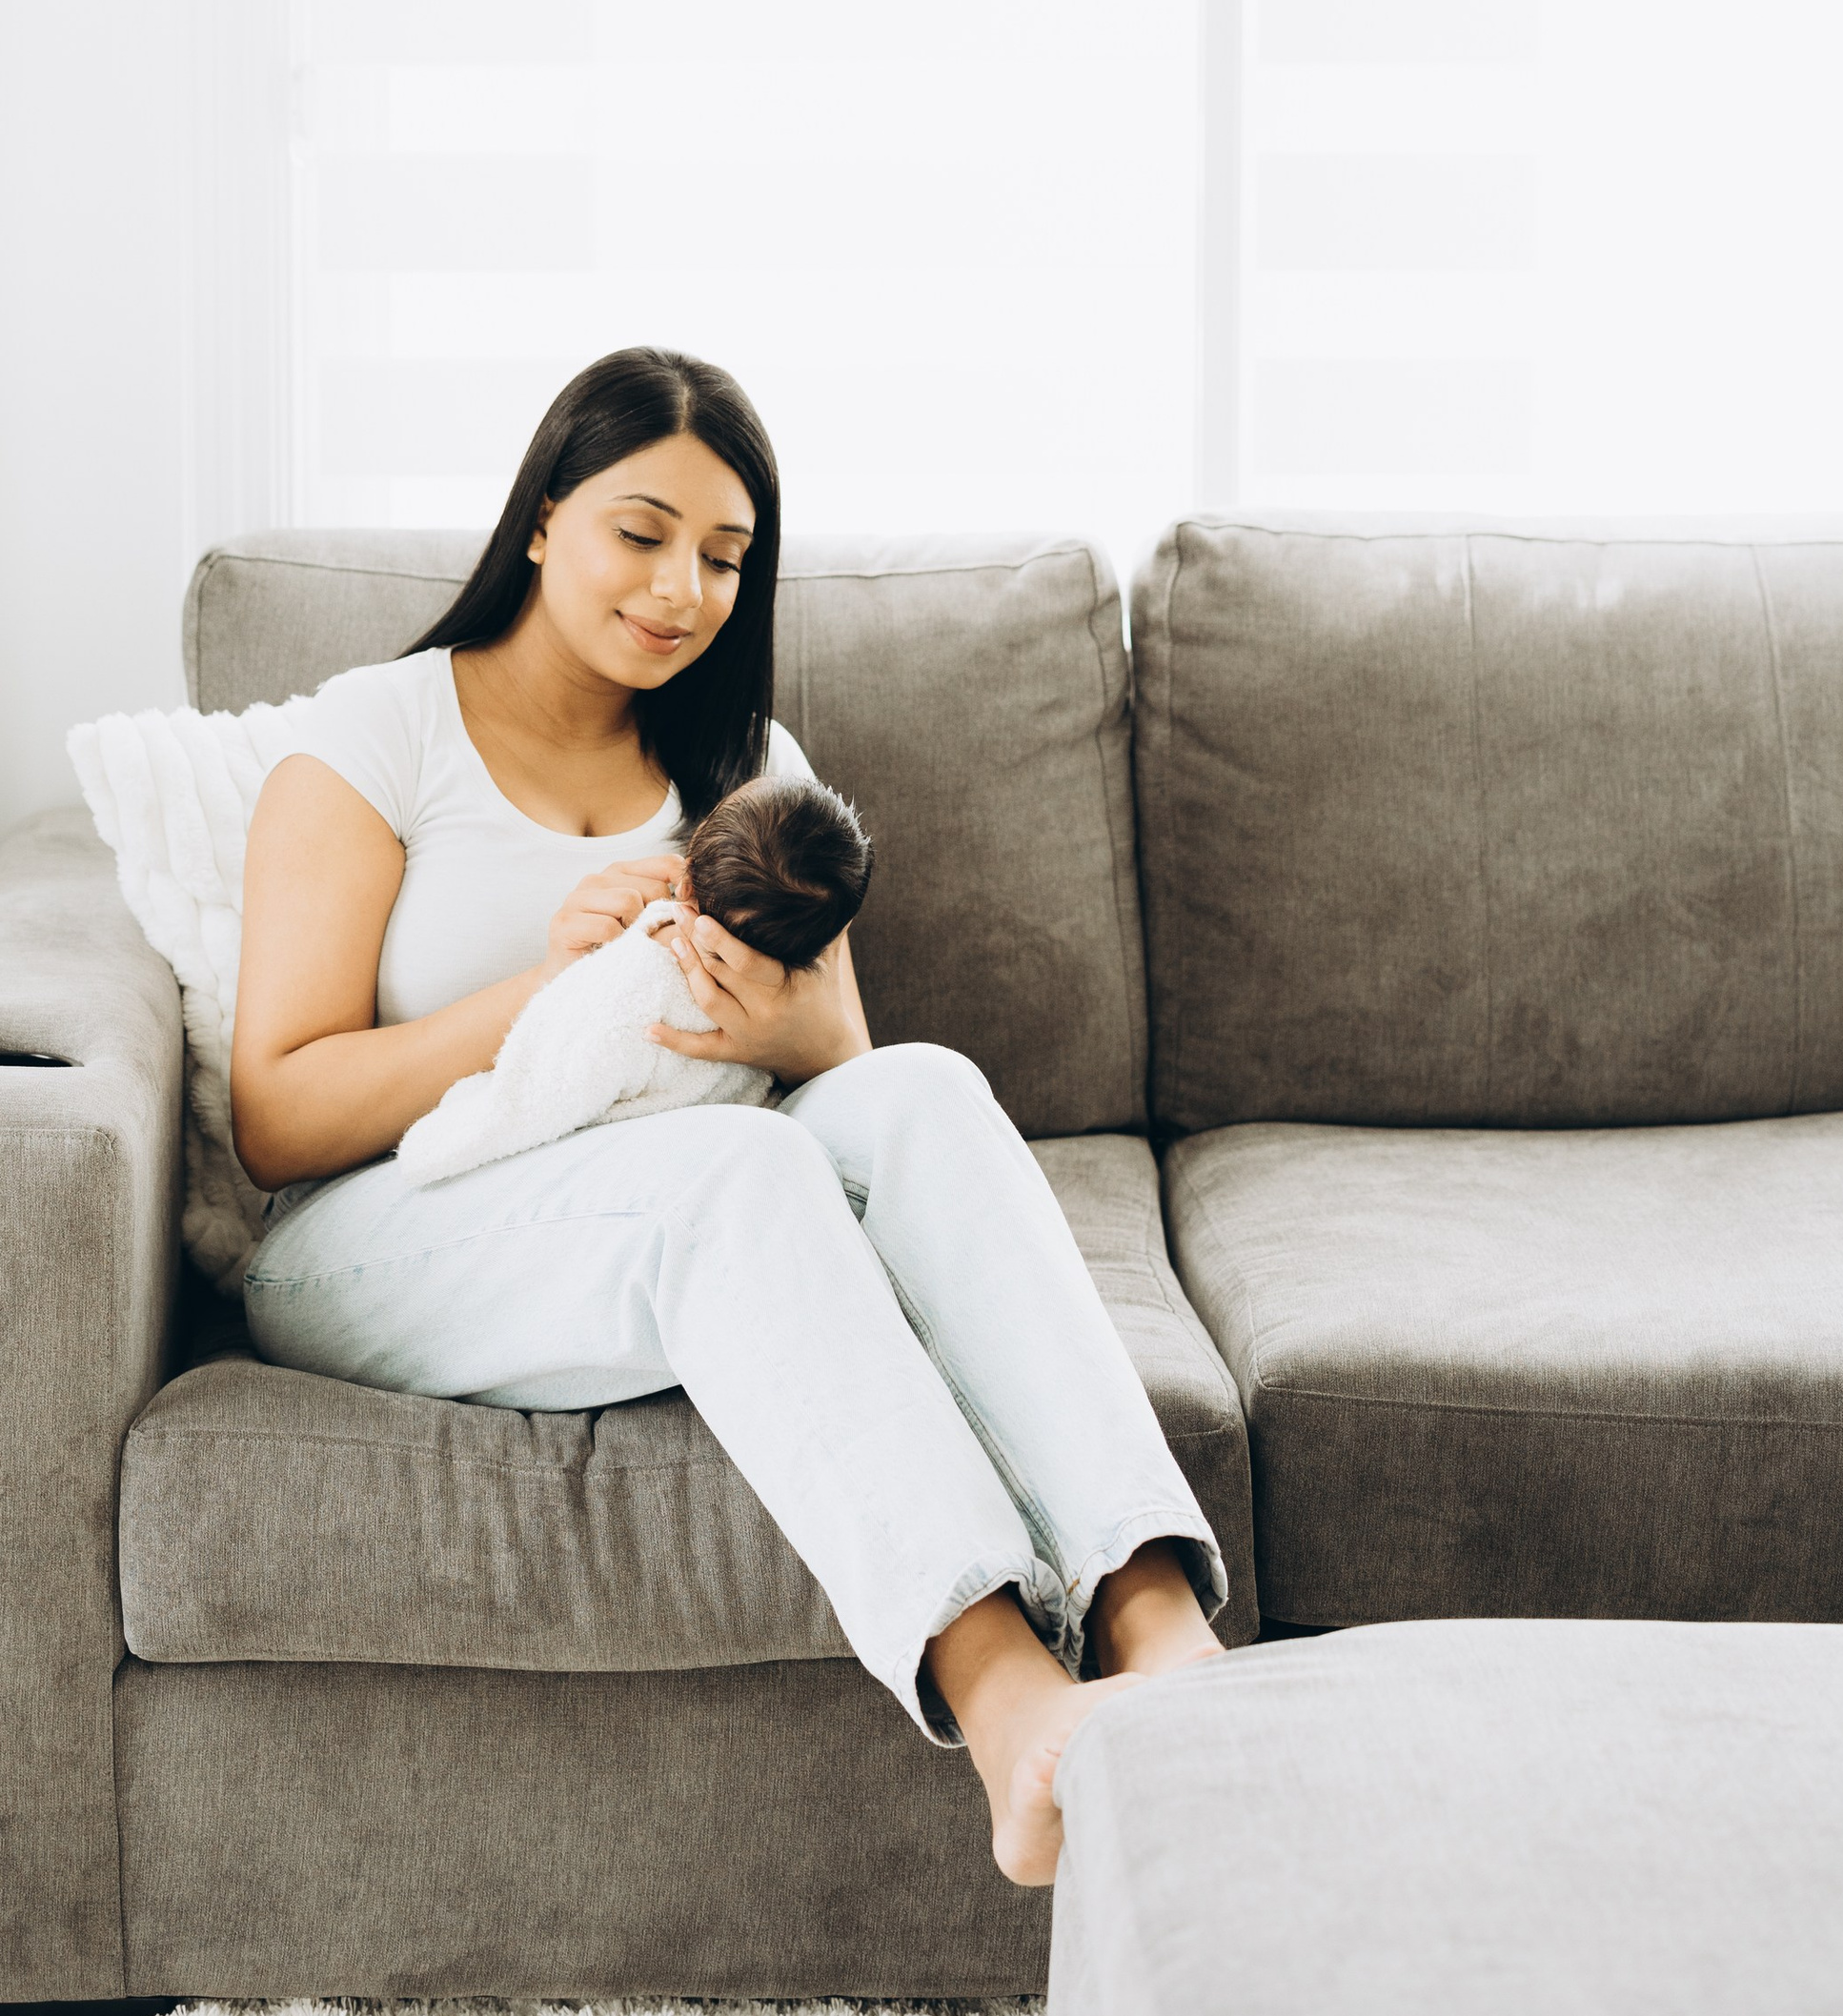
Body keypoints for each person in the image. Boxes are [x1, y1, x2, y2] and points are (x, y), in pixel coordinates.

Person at [230, 346, 1225, 1885]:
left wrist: (806, 1020)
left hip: (668, 1180)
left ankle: (1161, 1632)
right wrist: (544, 985)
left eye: (723, 555)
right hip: (378, 1229)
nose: (682, 588)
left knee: (929, 1095)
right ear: (546, 515)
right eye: (643, 533)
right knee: (736, 1174)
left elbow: (855, 1081)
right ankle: (1013, 1711)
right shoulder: (376, 741)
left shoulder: (747, 769)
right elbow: (276, 1114)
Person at [395, 774, 874, 1185]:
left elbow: (552, 1084)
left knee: (931, 1074)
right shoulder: (817, 856)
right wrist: (552, 978)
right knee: (761, 1147)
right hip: (656, 1168)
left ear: (684, 881)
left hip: (707, 1160)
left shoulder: (643, 973)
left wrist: (814, 1052)